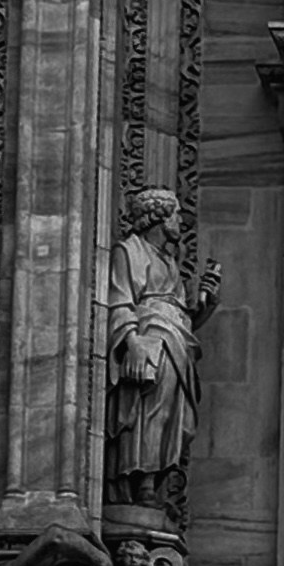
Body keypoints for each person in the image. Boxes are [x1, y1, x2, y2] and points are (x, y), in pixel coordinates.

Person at [106, 188, 217, 506]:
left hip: (177, 339)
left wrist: (207, 303)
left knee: (174, 417)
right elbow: (120, 299)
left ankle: (155, 482)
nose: (180, 221)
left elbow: (183, 314)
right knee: (148, 412)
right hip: (151, 339)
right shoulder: (130, 251)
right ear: (157, 215)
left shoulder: (170, 262)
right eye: (175, 214)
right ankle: (139, 484)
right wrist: (131, 341)